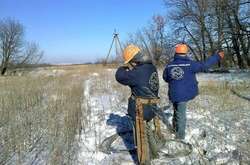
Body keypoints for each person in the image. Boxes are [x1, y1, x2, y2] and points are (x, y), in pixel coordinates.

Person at [163, 43, 224, 140]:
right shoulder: (191, 64)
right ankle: (180, 138)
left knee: (176, 111)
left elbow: (165, 78)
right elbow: (205, 65)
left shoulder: (169, 65)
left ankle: (175, 129)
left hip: (173, 94)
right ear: (186, 53)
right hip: (183, 95)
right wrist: (217, 57)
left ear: (176, 53)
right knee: (181, 116)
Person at [115, 44, 163, 162]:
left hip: (140, 111)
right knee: (147, 128)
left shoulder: (137, 72)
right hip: (152, 109)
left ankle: (144, 161)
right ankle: (154, 152)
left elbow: (119, 76)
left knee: (141, 136)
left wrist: (123, 67)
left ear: (134, 60)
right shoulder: (152, 68)